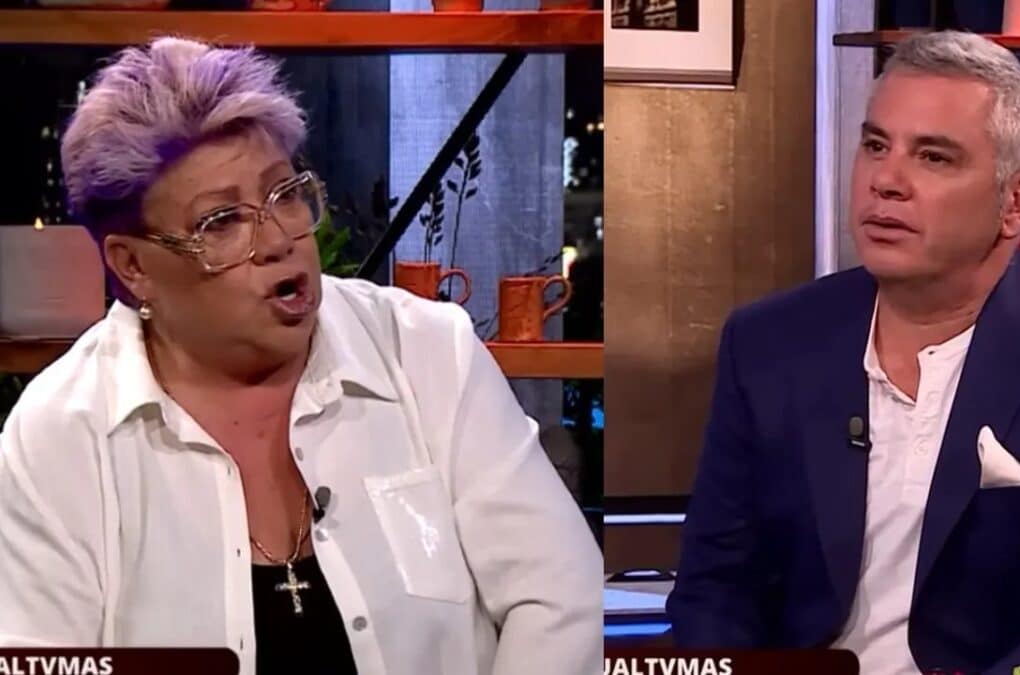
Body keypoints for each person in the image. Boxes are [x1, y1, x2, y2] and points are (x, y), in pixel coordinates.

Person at [0, 37, 601, 675]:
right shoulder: (61, 432)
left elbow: (561, 600)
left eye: (284, 193)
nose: (279, 239)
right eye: (223, 221)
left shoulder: (427, 353)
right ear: (133, 266)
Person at [666, 30, 1020, 675]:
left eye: (933, 157)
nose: (885, 181)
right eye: (875, 145)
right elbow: (716, 585)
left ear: (1016, 202)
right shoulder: (769, 342)